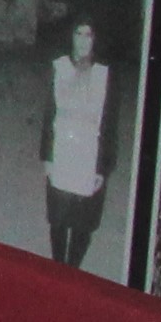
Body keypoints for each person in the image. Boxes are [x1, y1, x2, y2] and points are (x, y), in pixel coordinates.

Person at [40, 18, 115, 266]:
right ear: (71, 37)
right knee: (59, 217)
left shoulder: (103, 74)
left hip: (89, 155)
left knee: (83, 221)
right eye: (78, 33)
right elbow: (49, 114)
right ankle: (58, 266)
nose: (83, 40)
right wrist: (47, 156)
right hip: (62, 151)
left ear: (95, 39)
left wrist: (102, 168)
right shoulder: (60, 67)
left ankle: (72, 268)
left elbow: (109, 123)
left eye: (88, 35)